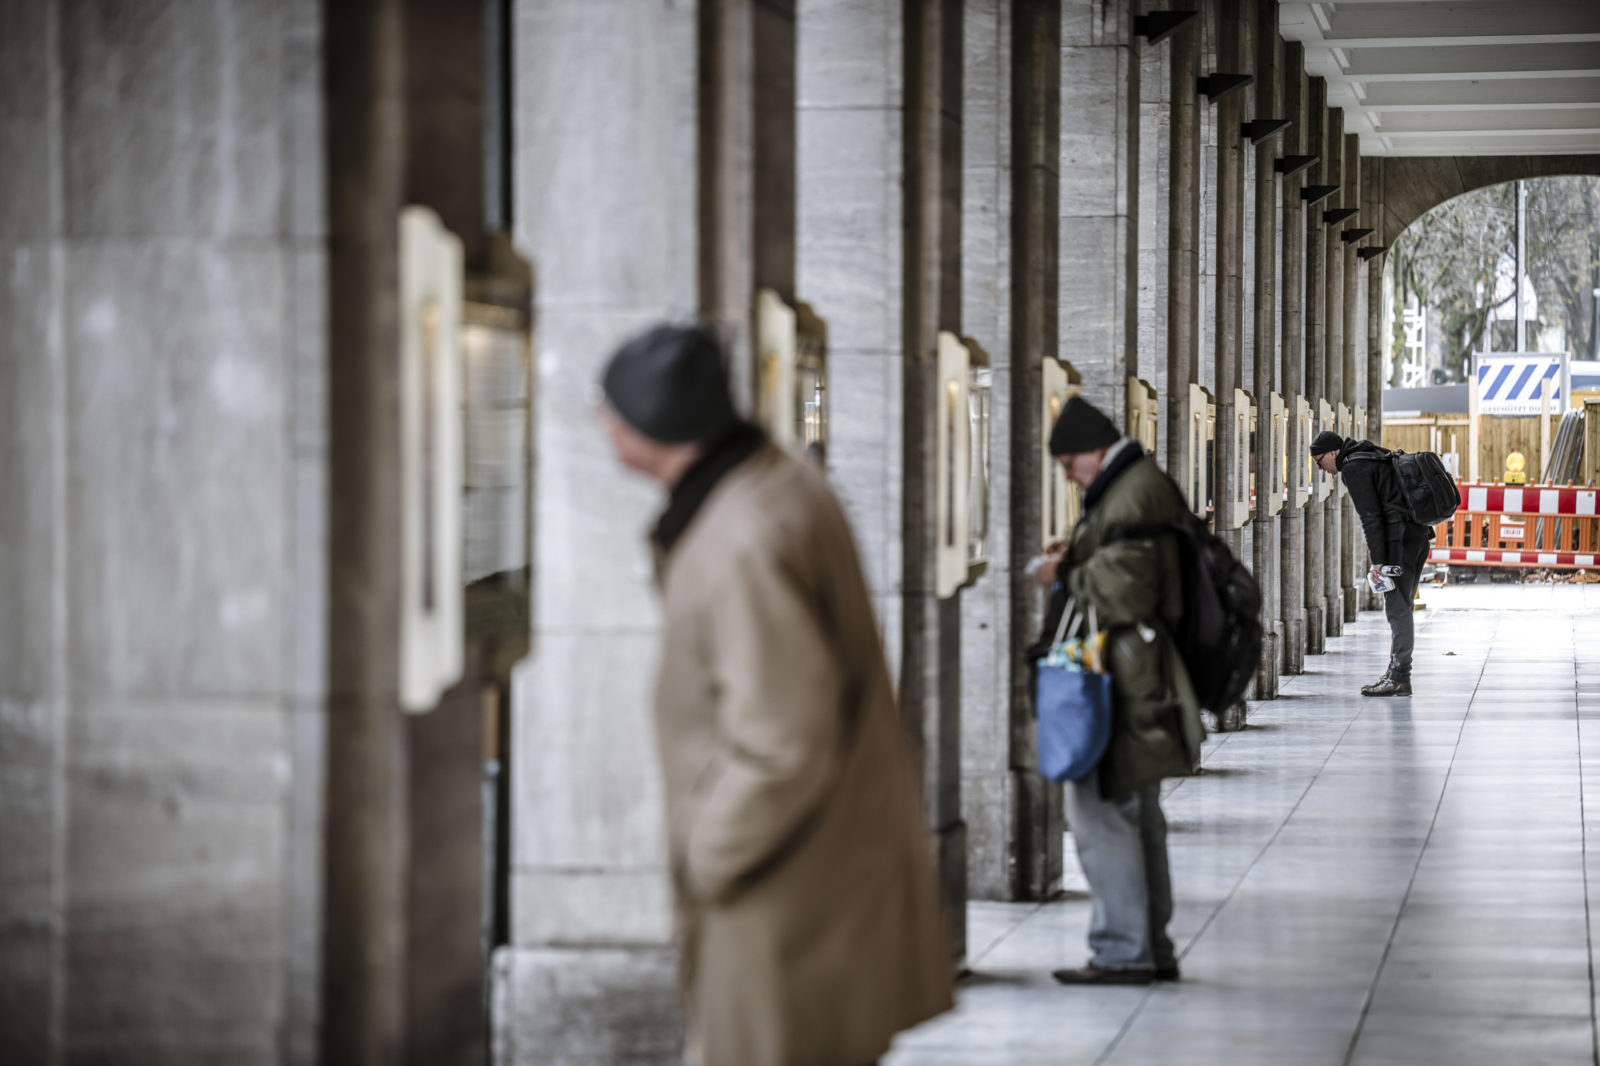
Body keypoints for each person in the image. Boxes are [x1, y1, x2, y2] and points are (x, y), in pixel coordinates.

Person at [598, 323, 953, 1066]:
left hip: (784, 887)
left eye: (609, 411)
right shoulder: (775, 480)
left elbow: (783, 737)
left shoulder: (740, 538)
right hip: (819, 869)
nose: (600, 426)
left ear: (650, 427)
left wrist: (709, 852)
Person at [1029, 396, 1205, 986]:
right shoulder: (1135, 484)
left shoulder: (1131, 490)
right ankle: (1148, 944)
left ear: (1093, 451)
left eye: (1068, 463)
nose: (1066, 475)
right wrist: (1079, 554)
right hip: (1140, 666)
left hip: (1125, 674)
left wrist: (1066, 573)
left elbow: (1127, 585)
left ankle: (1123, 949)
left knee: (1102, 810)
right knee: (1136, 811)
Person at [1310, 429, 1433, 697]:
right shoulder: (1370, 452)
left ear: (1333, 453)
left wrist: (1377, 561)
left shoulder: (1353, 468)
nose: (1321, 469)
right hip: (1417, 535)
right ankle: (1394, 672)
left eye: (1319, 461)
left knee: (1398, 609)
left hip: (1399, 542)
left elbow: (1371, 518)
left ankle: (1400, 677)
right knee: (1402, 606)